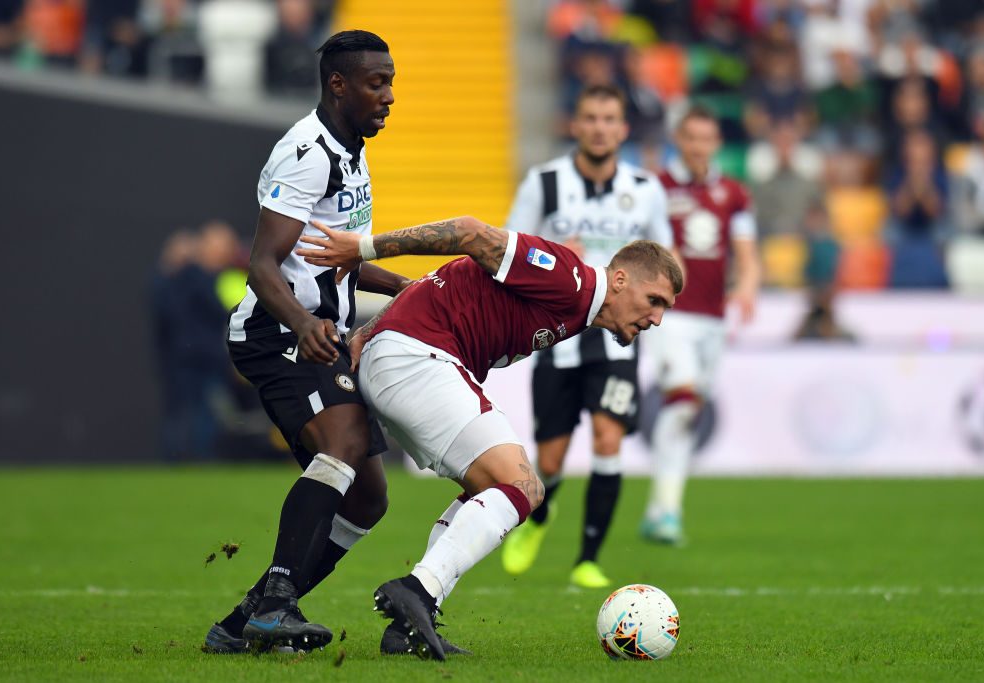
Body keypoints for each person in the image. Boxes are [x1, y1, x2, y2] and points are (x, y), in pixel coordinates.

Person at [296, 215, 683, 660]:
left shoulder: (577, 302)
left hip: (409, 357)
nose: (655, 318)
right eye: (654, 300)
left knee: (487, 491)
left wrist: (375, 327)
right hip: (418, 360)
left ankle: (402, 622)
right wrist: (364, 248)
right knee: (522, 486)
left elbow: (441, 283)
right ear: (619, 280)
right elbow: (469, 233)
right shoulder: (571, 277)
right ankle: (417, 592)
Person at [203, 30, 412, 655]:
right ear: (338, 85)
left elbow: (331, 257)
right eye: (377, 83)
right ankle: (276, 605)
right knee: (344, 443)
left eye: (392, 81)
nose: (389, 96)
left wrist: (406, 287)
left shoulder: (351, 148)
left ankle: (248, 622)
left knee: (370, 499)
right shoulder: (307, 152)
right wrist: (303, 324)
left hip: (318, 332)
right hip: (276, 334)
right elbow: (263, 265)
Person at [497, 84, 673, 589]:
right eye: (590, 117)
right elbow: (508, 250)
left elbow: (664, 261)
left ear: (622, 129)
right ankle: (540, 518)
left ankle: (588, 559)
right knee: (549, 460)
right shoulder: (544, 183)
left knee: (607, 437)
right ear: (576, 125)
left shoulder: (645, 189)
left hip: (618, 337)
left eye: (608, 118)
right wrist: (552, 251)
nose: (599, 127)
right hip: (558, 336)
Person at [639, 105, 760, 545]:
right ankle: (667, 512)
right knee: (684, 398)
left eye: (706, 139)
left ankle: (661, 511)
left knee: (687, 414)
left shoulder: (734, 193)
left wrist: (746, 287)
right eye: (690, 137)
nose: (698, 146)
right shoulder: (657, 187)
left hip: (713, 318)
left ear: (716, 144)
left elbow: (745, 249)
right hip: (670, 316)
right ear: (679, 139)